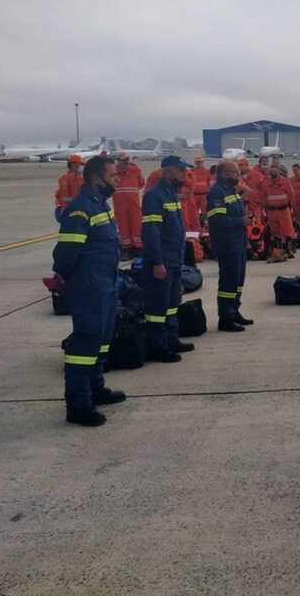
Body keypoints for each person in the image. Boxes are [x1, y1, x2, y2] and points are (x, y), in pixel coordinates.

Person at [51, 155, 126, 426]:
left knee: (101, 341)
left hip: (106, 283)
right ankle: (79, 405)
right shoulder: (81, 209)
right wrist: (74, 281)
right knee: (84, 345)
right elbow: (65, 254)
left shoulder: (100, 204)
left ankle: (96, 388)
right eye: (113, 175)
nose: (117, 179)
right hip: (89, 287)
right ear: (96, 178)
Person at [141, 155, 194, 362]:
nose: (184, 174)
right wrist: (157, 262)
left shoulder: (171, 194)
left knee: (172, 303)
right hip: (162, 260)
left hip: (174, 258)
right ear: (167, 171)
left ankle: (171, 339)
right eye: (181, 170)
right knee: (158, 306)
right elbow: (152, 231)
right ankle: (158, 346)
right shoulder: (154, 196)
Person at [206, 160, 253, 332]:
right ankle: (225, 318)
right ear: (224, 173)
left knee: (238, 280)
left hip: (238, 241)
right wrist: (241, 221)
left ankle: (234, 311)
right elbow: (218, 220)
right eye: (234, 172)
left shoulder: (231, 190)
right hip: (226, 243)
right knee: (228, 281)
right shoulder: (216, 192)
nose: (237, 175)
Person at [112, 152, 144, 259]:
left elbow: (141, 183)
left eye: (126, 160)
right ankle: (126, 249)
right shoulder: (113, 172)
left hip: (133, 204)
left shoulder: (135, 170)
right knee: (123, 226)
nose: (125, 163)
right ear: (118, 161)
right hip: (120, 204)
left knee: (136, 225)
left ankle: (138, 248)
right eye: (123, 160)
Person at [263, 164, 296, 263]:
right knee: (275, 232)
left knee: (287, 231)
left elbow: (292, 196)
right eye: (271, 170)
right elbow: (264, 197)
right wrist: (265, 211)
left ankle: (288, 250)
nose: (273, 172)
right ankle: (278, 251)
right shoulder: (266, 183)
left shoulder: (285, 182)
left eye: (275, 170)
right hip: (271, 211)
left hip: (283, 210)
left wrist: (292, 209)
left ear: (279, 171)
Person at [54, 154, 85, 222]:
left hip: (78, 210)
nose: (82, 167)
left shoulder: (81, 178)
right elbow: (64, 198)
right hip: (69, 211)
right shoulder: (65, 179)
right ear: (73, 165)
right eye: (81, 164)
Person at [191, 155, 214, 222]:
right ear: (195, 162)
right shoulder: (191, 171)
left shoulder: (207, 171)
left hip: (204, 195)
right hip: (194, 195)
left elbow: (210, 183)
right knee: (193, 212)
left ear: (203, 162)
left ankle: (205, 224)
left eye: (200, 162)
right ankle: (195, 224)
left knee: (205, 212)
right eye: (197, 162)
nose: (199, 163)